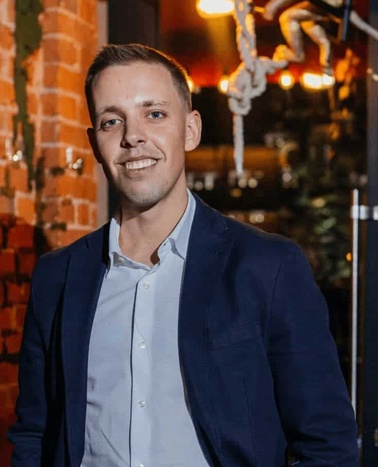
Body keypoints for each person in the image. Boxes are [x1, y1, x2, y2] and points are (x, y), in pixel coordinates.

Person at [9, 43, 358, 467]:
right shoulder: (58, 277)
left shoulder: (268, 267)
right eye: (111, 120)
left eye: (154, 114)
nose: (132, 136)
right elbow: (33, 434)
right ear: (95, 142)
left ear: (190, 130)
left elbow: (326, 444)